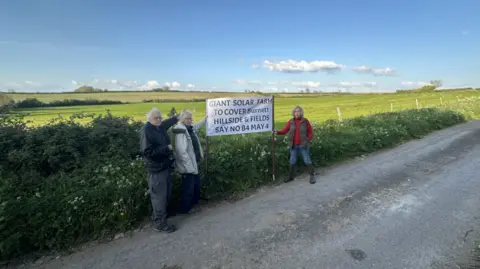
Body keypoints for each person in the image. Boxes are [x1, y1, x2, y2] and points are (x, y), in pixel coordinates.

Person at [139, 107, 179, 233]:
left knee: (165, 194)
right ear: (149, 118)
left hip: (164, 166)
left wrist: (177, 117)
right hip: (156, 169)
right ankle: (160, 224)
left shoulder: (158, 126)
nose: (159, 119)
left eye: (160, 117)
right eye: (156, 117)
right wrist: (166, 148)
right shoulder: (146, 131)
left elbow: (166, 123)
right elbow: (147, 152)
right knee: (159, 197)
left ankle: (162, 217)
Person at [172, 110, 206, 214]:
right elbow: (182, 152)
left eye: (191, 118)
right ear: (182, 119)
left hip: (193, 163)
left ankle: (192, 205)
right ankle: (185, 209)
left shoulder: (189, 128)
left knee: (195, 185)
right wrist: (189, 167)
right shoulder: (180, 131)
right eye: (188, 118)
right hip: (187, 166)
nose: (190, 120)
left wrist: (205, 119)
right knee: (188, 188)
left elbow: (195, 127)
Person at [274, 105, 316, 184]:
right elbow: (285, 130)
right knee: (292, 160)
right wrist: (278, 132)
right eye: (295, 111)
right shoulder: (291, 122)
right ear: (293, 113)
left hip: (303, 145)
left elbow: (310, 132)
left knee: (307, 160)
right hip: (293, 145)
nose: (297, 113)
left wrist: (307, 140)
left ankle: (312, 176)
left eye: (298, 111)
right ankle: (291, 177)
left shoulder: (305, 121)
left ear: (301, 113)